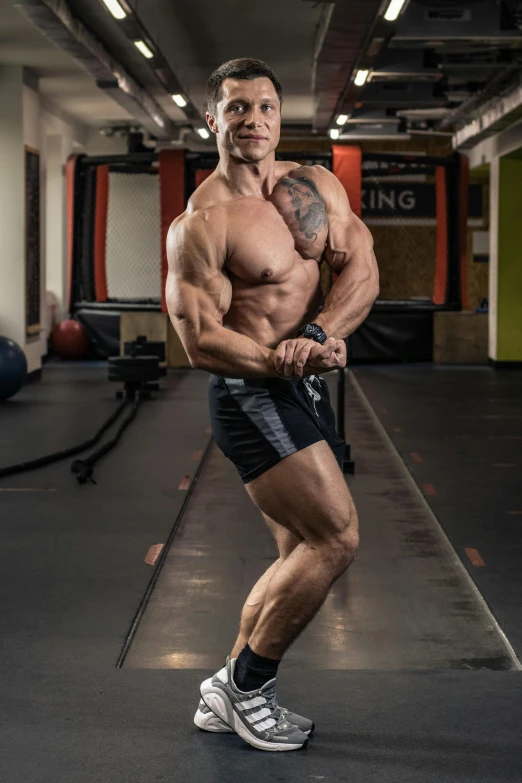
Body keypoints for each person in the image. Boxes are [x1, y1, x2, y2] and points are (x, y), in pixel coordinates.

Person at [166, 58, 379, 752]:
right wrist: (283, 357)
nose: (251, 120)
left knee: (296, 549)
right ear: (212, 121)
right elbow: (199, 340)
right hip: (250, 392)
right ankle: (246, 686)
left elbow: (362, 268)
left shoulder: (313, 186)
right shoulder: (203, 222)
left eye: (263, 108)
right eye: (235, 109)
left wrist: (321, 335)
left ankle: (226, 689)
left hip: (304, 383)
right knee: (336, 536)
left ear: (278, 118)